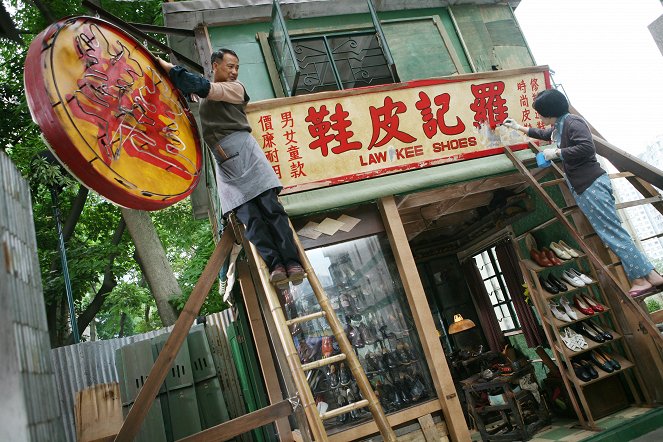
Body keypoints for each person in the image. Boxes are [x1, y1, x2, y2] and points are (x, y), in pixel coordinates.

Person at [157, 49, 304, 286]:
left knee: (271, 210)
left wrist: (161, 63)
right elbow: (186, 85)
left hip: (246, 153)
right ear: (215, 65)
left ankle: (292, 262)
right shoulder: (205, 96)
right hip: (224, 164)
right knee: (251, 219)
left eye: (237, 67)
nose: (234, 71)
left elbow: (200, 85)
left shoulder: (235, 89)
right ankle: (275, 265)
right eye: (230, 66)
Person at [503, 89, 663, 297]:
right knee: (612, 233)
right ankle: (644, 278)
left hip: (591, 185)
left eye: (542, 113)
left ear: (550, 113)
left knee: (613, 234)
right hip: (586, 186)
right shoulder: (560, 125)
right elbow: (546, 134)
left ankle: (647, 277)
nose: (540, 117)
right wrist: (519, 128)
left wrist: (557, 152)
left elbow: (587, 148)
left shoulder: (574, 123)